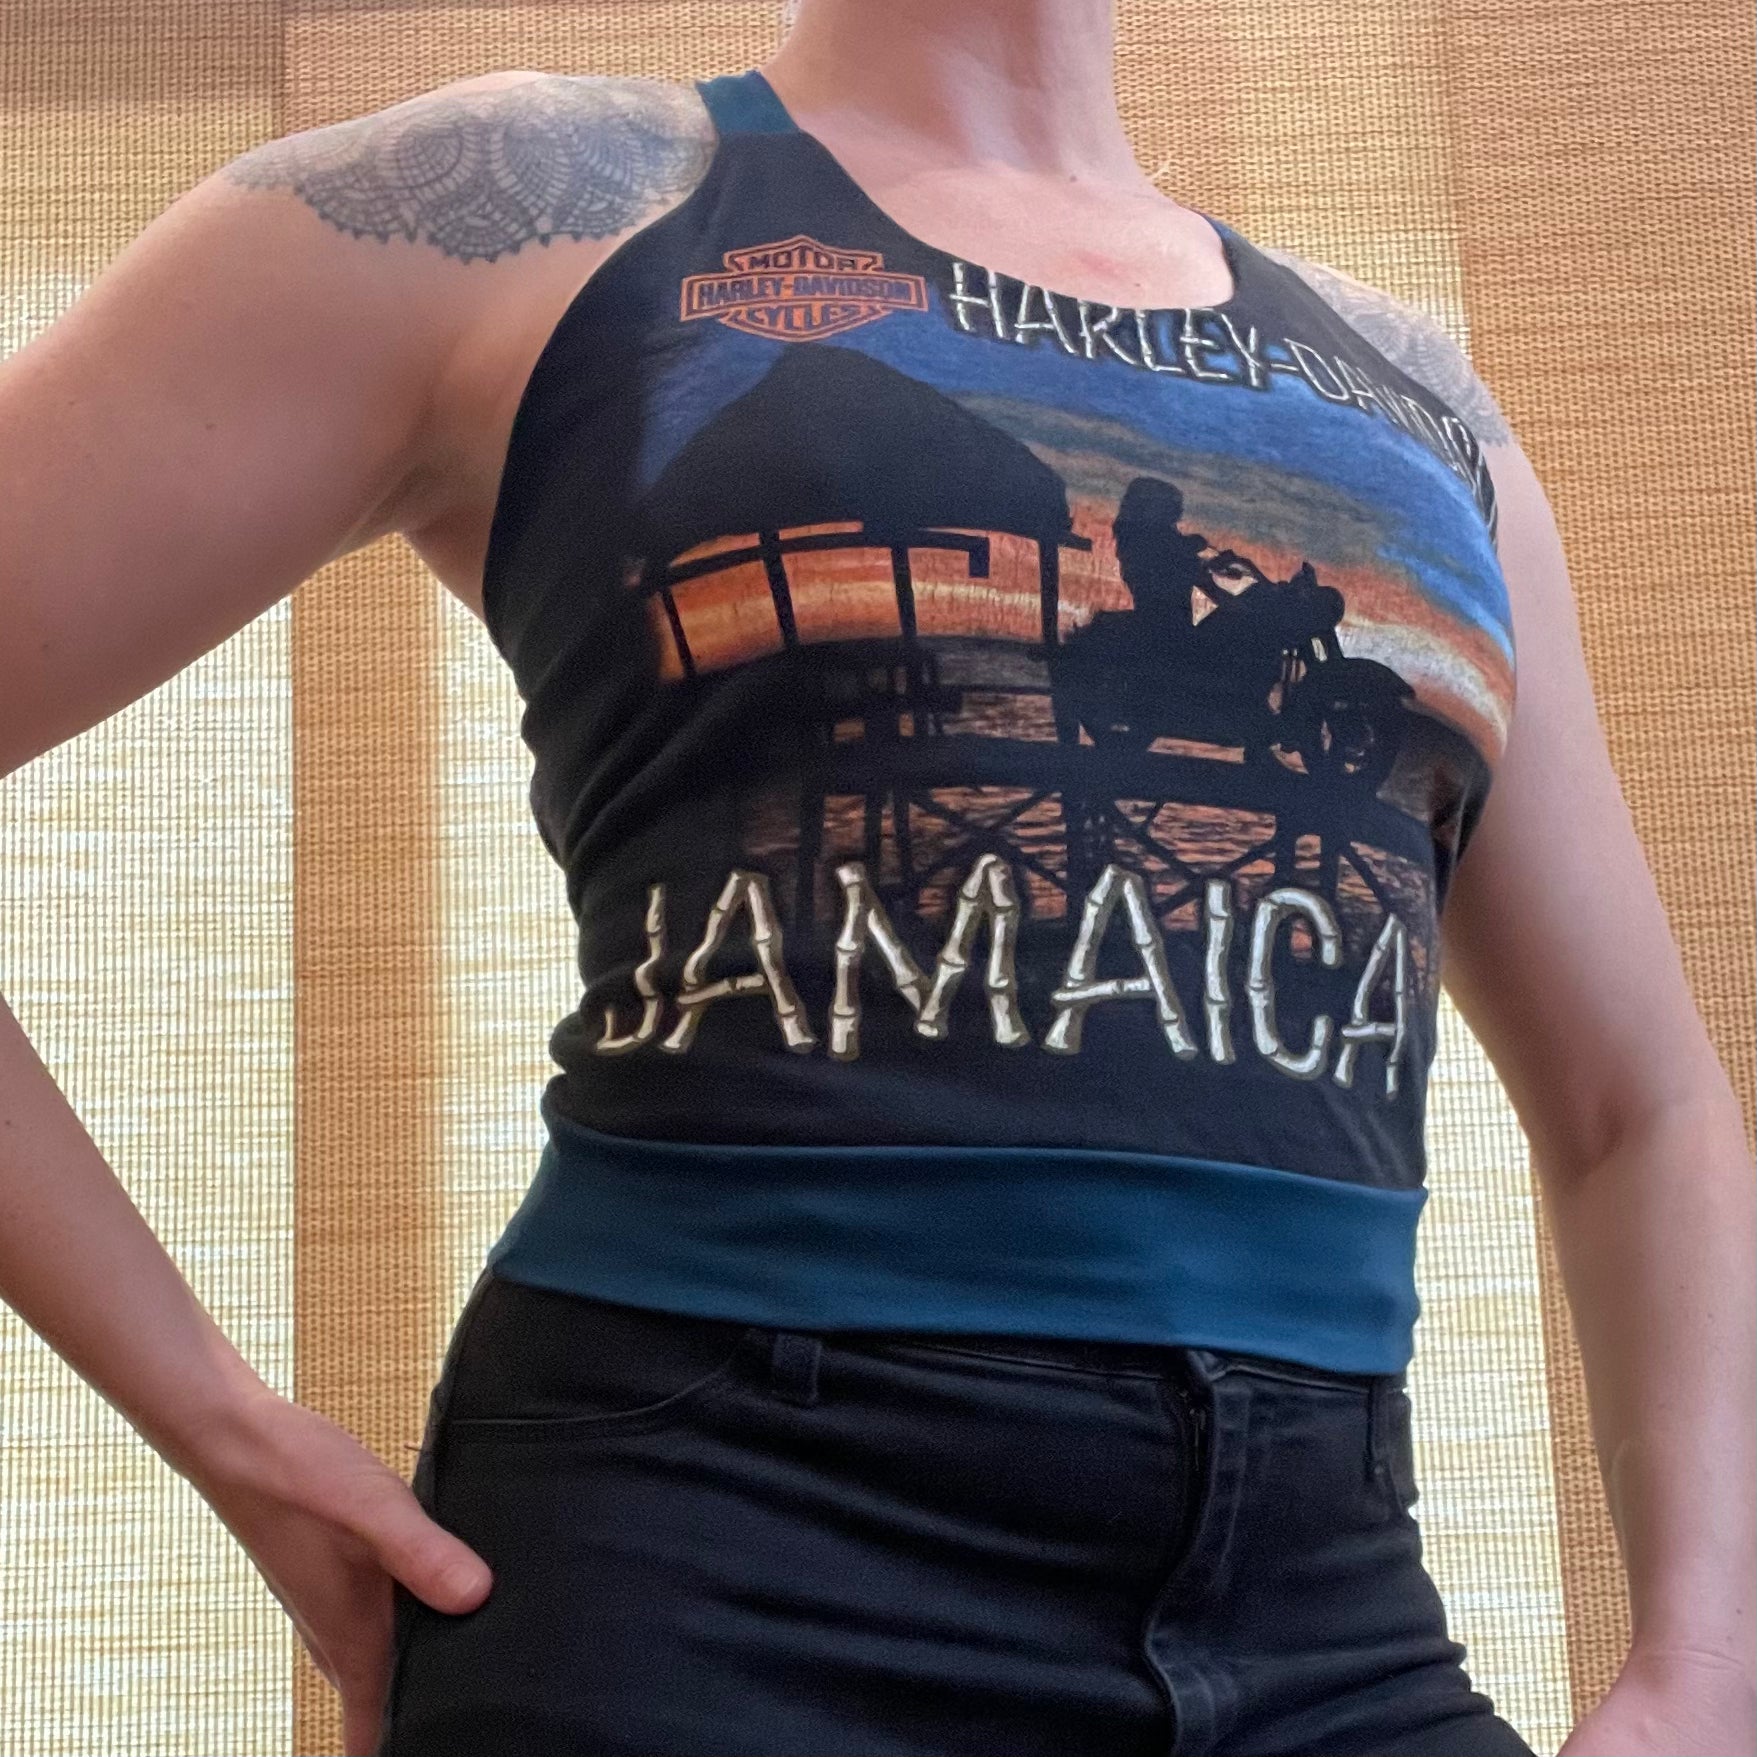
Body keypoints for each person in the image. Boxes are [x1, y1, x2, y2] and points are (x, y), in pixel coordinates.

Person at [1, 4, 1752, 1756]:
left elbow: (1639, 1105)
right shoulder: (531, 204)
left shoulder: (1421, 402)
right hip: (722, 1558)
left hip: (1326, 1601)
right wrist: (219, 1421)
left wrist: (1702, 1663)